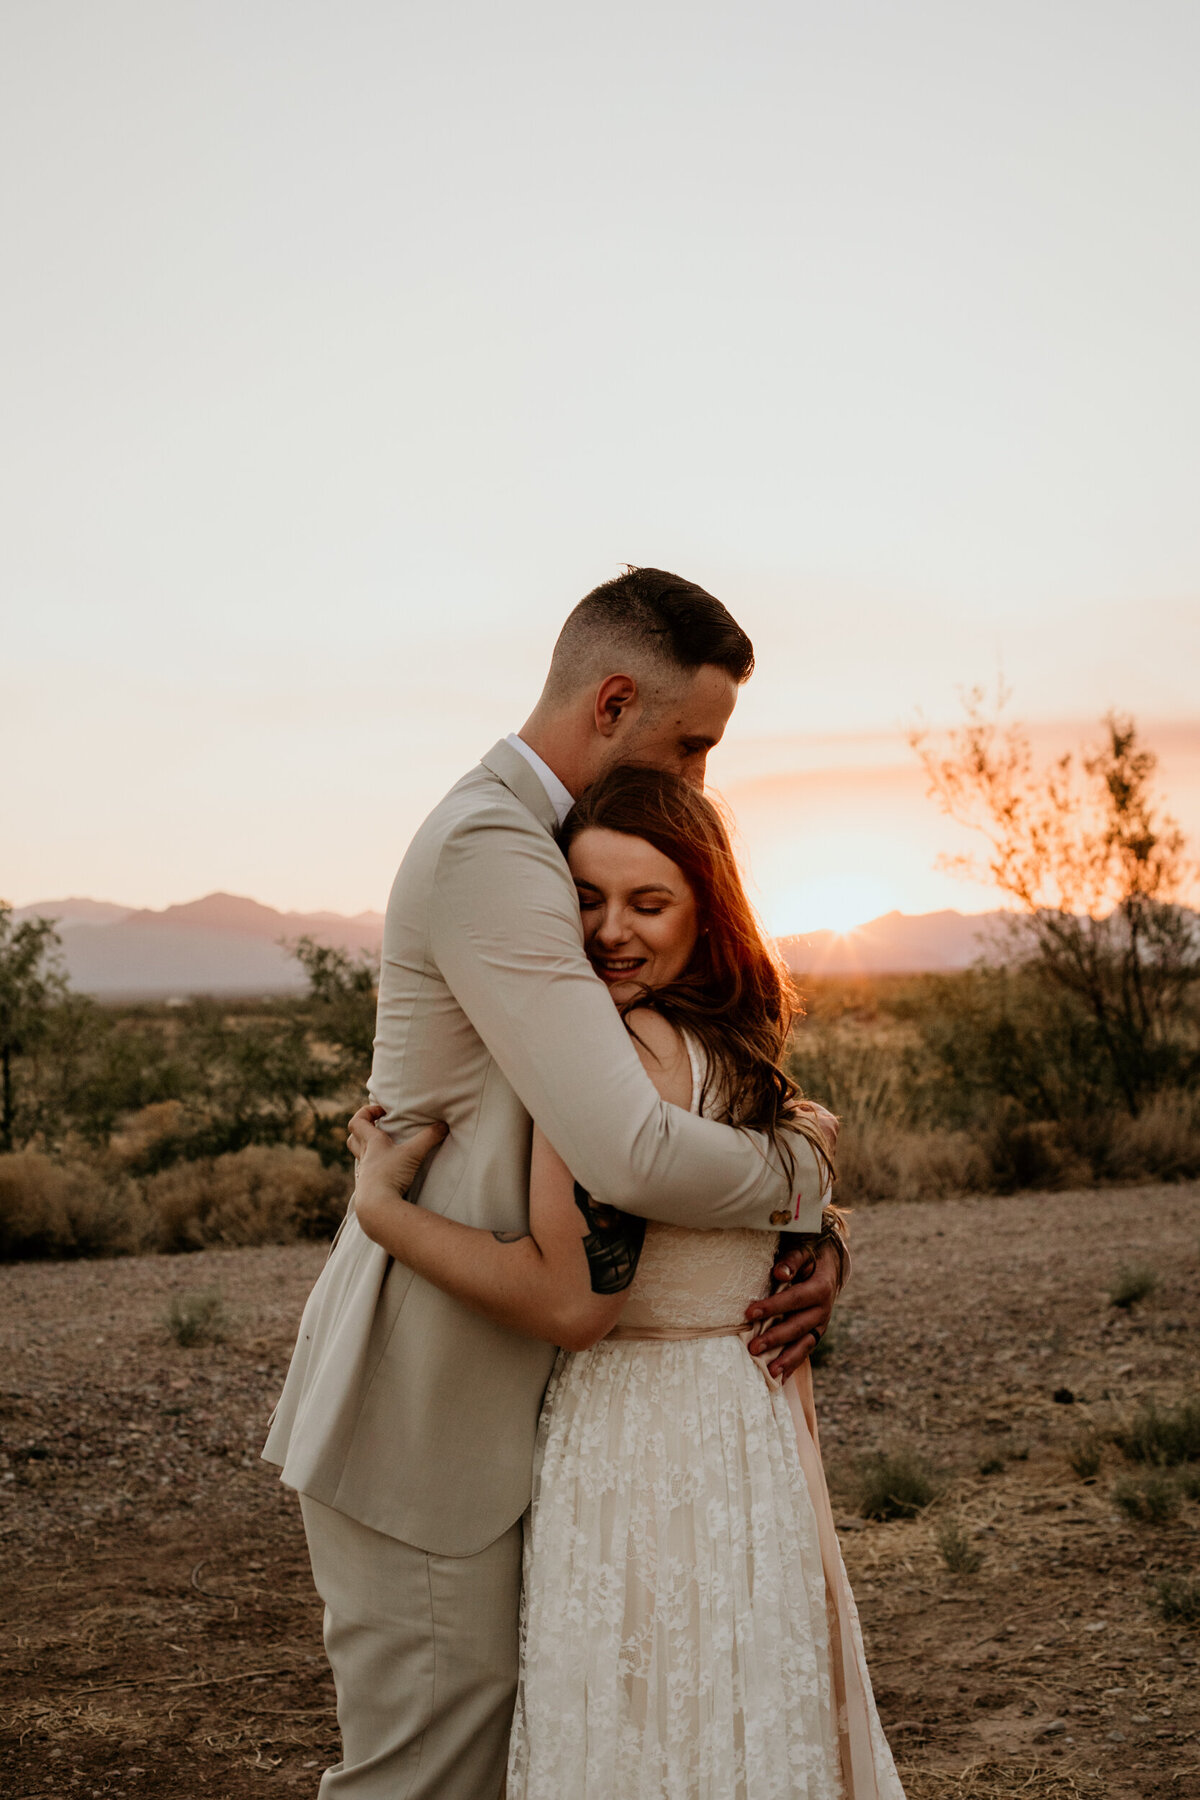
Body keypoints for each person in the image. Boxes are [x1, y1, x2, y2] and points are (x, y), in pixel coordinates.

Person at [263, 568, 843, 1800]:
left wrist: (818, 1229)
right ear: (616, 699)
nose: (699, 780)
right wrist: (804, 1173)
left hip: (529, 1386)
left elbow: (668, 1117)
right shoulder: (493, 847)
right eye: (693, 745)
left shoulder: (557, 851)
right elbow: (628, 1147)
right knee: (427, 1779)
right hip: (429, 1398)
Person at [348, 765, 904, 1799]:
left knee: (639, 1731)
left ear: (709, 909)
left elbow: (572, 1301)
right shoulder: (735, 1047)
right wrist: (821, 1222)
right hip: (747, 1424)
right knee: (741, 1717)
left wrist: (384, 1211)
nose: (610, 931)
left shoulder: (606, 1053)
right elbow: (788, 1169)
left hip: (640, 1434)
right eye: (586, 899)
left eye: (648, 902)